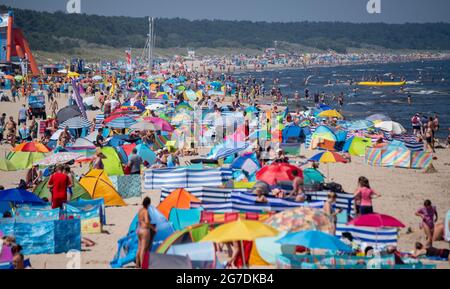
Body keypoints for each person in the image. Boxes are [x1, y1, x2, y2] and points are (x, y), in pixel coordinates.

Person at [136, 197, 155, 269]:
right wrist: (153, 228)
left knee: (139, 248)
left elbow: (140, 220)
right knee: (143, 249)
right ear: (148, 204)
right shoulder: (145, 211)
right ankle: (143, 266)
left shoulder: (140, 210)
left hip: (139, 229)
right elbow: (147, 222)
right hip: (144, 230)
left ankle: (137, 264)